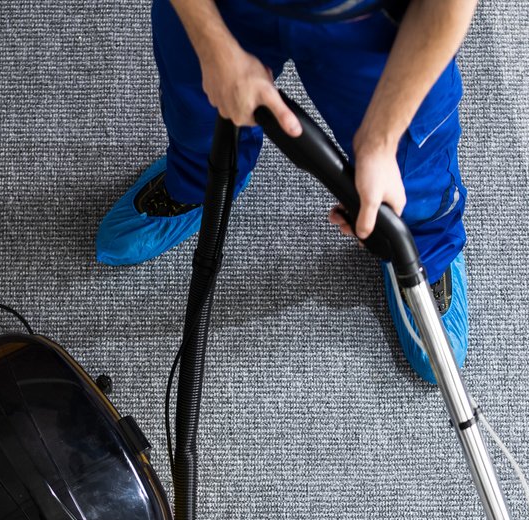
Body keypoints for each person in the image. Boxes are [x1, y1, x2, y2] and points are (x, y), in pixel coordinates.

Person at [96, 0, 476, 383]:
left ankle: (421, 247)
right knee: (200, 114)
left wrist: (380, 139)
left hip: (371, 18)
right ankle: (197, 185)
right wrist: (212, 42)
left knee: (411, 170)